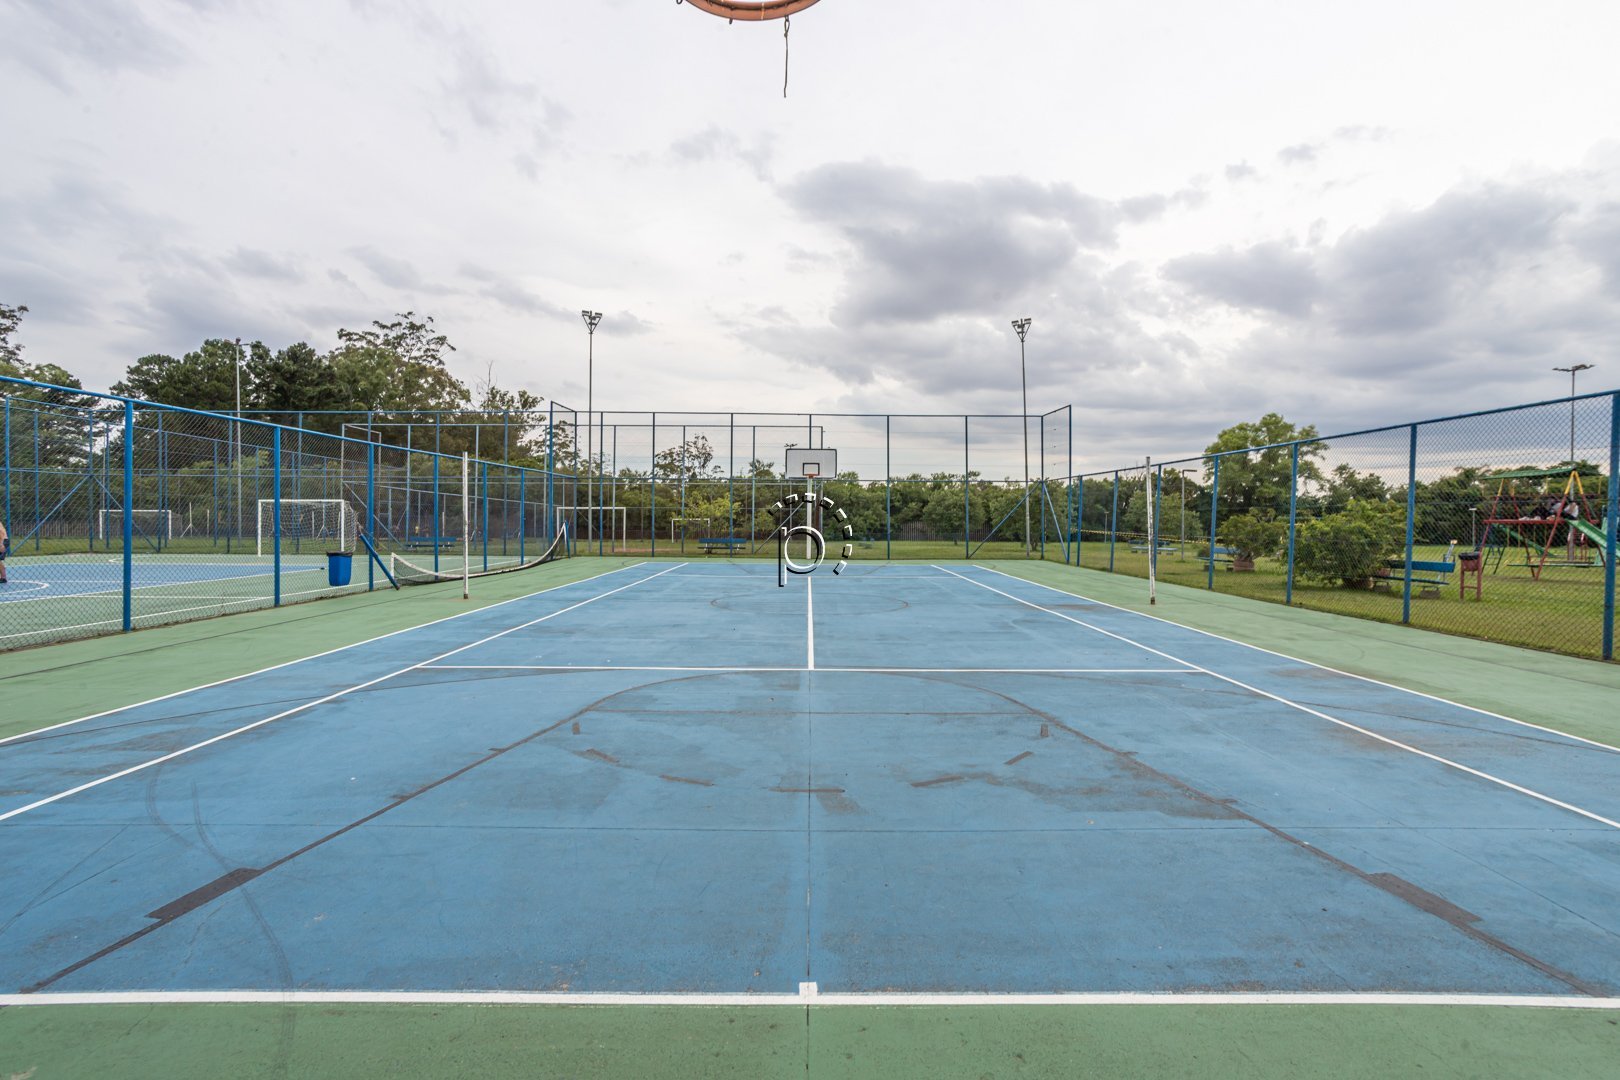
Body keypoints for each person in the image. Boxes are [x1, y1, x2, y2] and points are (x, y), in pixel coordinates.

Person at [0, 517, 8, 584]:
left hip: (3, 541)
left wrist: (2, 544)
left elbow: (2, 533)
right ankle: (3, 577)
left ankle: (3, 577)